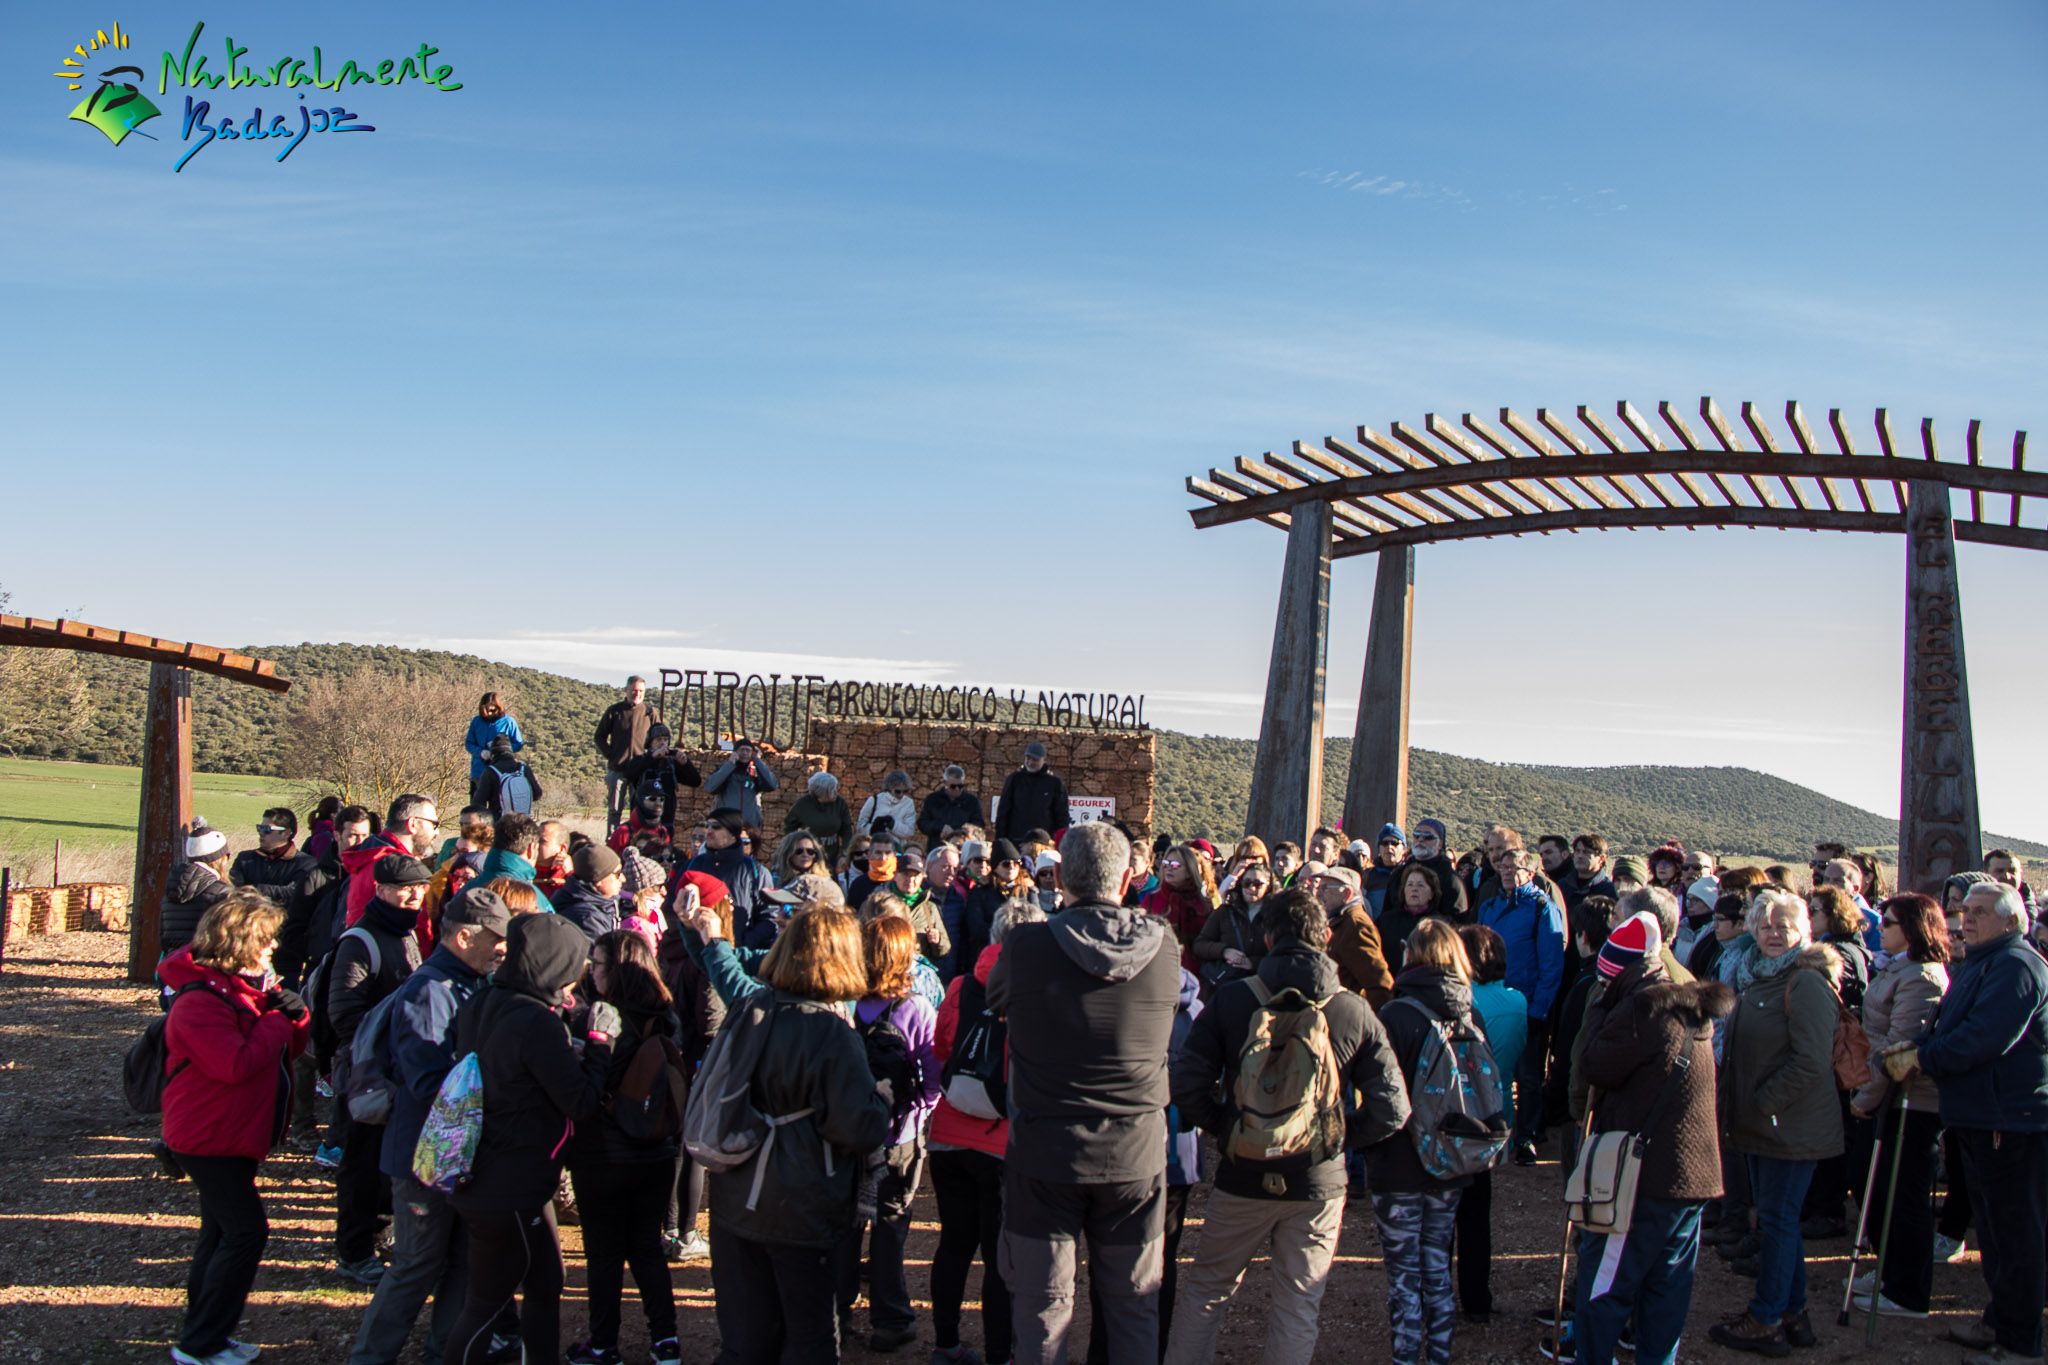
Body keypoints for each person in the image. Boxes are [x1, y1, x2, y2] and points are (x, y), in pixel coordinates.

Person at [1165, 888, 1410, 1365]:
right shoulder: (1351, 1010)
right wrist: (1335, 1138)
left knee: (1208, 1292)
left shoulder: (1235, 998)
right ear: (1324, 938)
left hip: (1243, 1173)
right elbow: (1393, 1108)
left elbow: (1187, 1084)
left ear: (1269, 936)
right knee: (1299, 1303)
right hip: (1317, 1181)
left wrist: (1227, 1128)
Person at [988, 821, 1180, 1365]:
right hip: (1136, 1154)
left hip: (1045, 1152)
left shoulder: (1026, 945)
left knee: (1043, 1311)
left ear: (1061, 882)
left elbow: (996, 997)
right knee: (1134, 1306)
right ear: (1125, 881)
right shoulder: (1164, 947)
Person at [688, 905, 893, 1364]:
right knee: (810, 1339)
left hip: (736, 1193)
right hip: (801, 1203)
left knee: (746, 1337)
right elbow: (857, 1127)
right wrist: (881, 1099)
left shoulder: (750, 1008)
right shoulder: (830, 1033)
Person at [1885, 881, 2048, 1365]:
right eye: (1964, 909)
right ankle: (1999, 1321)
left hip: (2011, 1119)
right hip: (1984, 1116)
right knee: (1996, 1234)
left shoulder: (2016, 964)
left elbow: (1982, 1039)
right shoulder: (1983, 962)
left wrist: (1922, 1057)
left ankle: (2020, 1342)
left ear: (2012, 920)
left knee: (2015, 1235)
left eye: (1979, 911)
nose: (1966, 918)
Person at [349, 889, 512, 1365]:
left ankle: (446, 1352)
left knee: (461, 1262)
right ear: (463, 937)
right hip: (423, 1158)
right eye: (494, 938)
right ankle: (370, 1358)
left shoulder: (470, 982)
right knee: (417, 1264)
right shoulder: (430, 992)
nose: (502, 947)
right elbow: (428, 1080)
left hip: (459, 1157)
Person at [441, 914, 610, 1365]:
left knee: (546, 1282)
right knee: (486, 1302)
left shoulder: (485, 1002)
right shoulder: (535, 1023)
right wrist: (598, 1043)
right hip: (510, 1182)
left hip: (492, 1173)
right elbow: (579, 1101)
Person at [1569, 910, 1733, 1365]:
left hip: (1645, 1178)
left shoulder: (1642, 1010)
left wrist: (1601, 1005)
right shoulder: (1690, 1003)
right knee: (1668, 1285)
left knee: (1608, 1283)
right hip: (1692, 1173)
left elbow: (1594, 1063)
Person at [157, 889, 311, 1365]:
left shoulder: (244, 989)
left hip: (234, 1134)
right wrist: (277, 1020)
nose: (272, 949)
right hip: (207, 1138)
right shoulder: (198, 1002)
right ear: (240, 942)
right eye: (265, 940)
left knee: (220, 1234)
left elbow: (289, 1050)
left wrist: (295, 1014)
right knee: (246, 1233)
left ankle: (206, 1333)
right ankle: (199, 1343)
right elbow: (235, 1064)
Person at [1708, 888, 1843, 1355]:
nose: (1773, 933)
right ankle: (1793, 1313)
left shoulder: (1805, 982)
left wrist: (1763, 1101)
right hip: (1765, 1125)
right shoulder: (1757, 977)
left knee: (1778, 1221)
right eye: (1765, 925)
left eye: (1784, 925)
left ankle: (1766, 1318)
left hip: (1790, 1125)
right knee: (1776, 1221)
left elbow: (1811, 1061)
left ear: (1803, 930)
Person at [1364, 919, 1487, 1365]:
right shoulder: (1471, 1015)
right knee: (1436, 1267)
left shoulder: (1396, 1015)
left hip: (1398, 1162)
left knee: (1403, 1274)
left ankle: (1404, 1357)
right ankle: (1440, 1355)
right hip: (1451, 1158)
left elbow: (1378, 1092)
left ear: (1411, 956)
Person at [929, 900, 1042, 1365]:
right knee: (1001, 1259)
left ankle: (946, 1344)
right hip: (1002, 1140)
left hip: (949, 1129)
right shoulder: (1036, 993)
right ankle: (1000, 1354)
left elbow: (942, 1048)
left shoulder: (959, 985)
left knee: (954, 1243)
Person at [566, 931, 684, 1365]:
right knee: (648, 1248)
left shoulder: (600, 1018)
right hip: (656, 1147)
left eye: (597, 963)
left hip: (603, 1151)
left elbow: (591, 1086)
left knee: (604, 1253)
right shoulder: (665, 1014)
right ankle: (666, 1340)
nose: (590, 971)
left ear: (615, 969)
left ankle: (603, 1344)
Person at [836, 915, 942, 1353]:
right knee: (891, 1225)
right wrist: (914, 1112)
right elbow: (934, 1080)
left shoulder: (846, 1004)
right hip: (898, 1136)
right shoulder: (915, 1008)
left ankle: (837, 1312)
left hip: (848, 1130)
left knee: (845, 1225)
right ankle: (891, 1318)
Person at [1844, 893, 1948, 1323]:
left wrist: (1865, 1096)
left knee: (1903, 1198)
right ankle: (1891, 1271)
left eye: (1887, 922)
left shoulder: (1922, 977)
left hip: (1910, 1103)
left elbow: (1897, 1048)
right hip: (1883, 1094)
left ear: (1913, 927)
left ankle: (1909, 1291)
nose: (1879, 927)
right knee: (1883, 1191)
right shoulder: (1898, 967)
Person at [329, 854, 430, 1285]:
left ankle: (381, 1239)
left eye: (421, 888)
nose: (414, 895)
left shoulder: (402, 934)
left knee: (384, 1162)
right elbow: (344, 1012)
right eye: (405, 888)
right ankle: (353, 1252)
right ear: (380, 889)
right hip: (366, 1073)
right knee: (360, 1166)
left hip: (392, 1071)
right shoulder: (361, 941)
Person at [1453, 924, 1527, 1325]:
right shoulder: (1517, 1002)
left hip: (1453, 1118)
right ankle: (1477, 1298)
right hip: (1493, 1117)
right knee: (1478, 1215)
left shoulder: (1462, 1003)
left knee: (1443, 1215)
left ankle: (1435, 1298)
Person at [1475, 848, 1565, 1165]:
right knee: (1490, 1070)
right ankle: (1491, 1132)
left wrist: (1539, 1010)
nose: (1508, 871)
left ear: (1531, 871)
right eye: (1503, 866)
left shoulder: (1542, 908)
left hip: (1526, 1004)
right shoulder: (1489, 906)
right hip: (1489, 998)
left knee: (1527, 1076)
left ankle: (1526, 1135)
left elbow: (1552, 964)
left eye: (1515, 867)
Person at [684, 809, 773, 948]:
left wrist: (743, 946)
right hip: (702, 955)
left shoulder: (755, 871)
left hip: (741, 956)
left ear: (733, 834)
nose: (709, 831)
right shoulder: (697, 864)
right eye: (708, 826)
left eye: (716, 827)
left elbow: (769, 917)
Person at [160, 818, 235, 972]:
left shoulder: (170, 889)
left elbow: (162, 936)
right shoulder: (222, 893)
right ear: (222, 859)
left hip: (174, 968)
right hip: (206, 971)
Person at [1190, 860, 1272, 995]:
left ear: (1268, 885)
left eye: (1258, 884)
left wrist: (1253, 963)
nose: (1251, 888)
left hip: (1262, 989)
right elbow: (1199, 945)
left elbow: (1283, 956)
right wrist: (1224, 951)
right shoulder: (1225, 912)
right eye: (1247, 883)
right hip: (1226, 988)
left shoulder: (1276, 915)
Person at [1318, 865, 1394, 1007]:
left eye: (1325, 888)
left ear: (1347, 893)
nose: (1319, 893)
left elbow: (1379, 984)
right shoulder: (1339, 921)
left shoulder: (1356, 925)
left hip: (1345, 1015)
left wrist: (1368, 1021)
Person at [1144, 843, 1219, 973]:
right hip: (1159, 970)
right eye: (1166, 863)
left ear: (1190, 870)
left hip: (1196, 972)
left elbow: (1208, 940)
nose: (1169, 868)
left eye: (1175, 865)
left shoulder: (1203, 904)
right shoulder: (1151, 900)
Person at [594, 676, 654, 834]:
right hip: (618, 770)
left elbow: (658, 737)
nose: (637, 694)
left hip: (640, 771)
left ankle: (634, 841)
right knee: (614, 809)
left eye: (641, 691)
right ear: (627, 690)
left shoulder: (650, 712)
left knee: (638, 809)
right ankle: (612, 841)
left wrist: (650, 759)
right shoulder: (614, 711)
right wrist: (612, 756)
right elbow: (599, 737)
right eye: (634, 690)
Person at [230, 807, 316, 912]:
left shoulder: (305, 864)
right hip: (248, 924)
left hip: (285, 926)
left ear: (286, 833)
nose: (261, 833)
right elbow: (235, 892)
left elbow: (294, 893)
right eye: (259, 828)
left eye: (267, 829)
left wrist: (257, 889)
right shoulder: (244, 859)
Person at [616, 723, 700, 829]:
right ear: (650, 743)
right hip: (642, 818)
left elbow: (695, 781)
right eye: (658, 739)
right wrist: (652, 757)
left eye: (665, 739)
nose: (662, 743)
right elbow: (629, 774)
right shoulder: (641, 760)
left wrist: (686, 764)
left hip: (666, 819)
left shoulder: (672, 763)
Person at [994, 741, 1070, 844]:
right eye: (1028, 758)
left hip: (1043, 843)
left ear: (1044, 760)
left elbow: (1062, 815)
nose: (1030, 762)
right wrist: (1000, 839)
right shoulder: (1015, 779)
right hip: (1016, 840)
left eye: (1035, 759)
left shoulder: (1054, 783)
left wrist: (1060, 841)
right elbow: (1003, 811)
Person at [1380, 862, 1443, 977]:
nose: (1414, 889)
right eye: (1410, 885)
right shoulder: (1386, 920)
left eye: (1420, 885)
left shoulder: (1440, 924)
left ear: (1432, 893)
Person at [703, 738, 779, 832]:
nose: (745, 753)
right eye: (742, 750)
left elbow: (772, 785)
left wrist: (757, 760)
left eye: (748, 750)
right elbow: (710, 787)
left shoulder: (754, 774)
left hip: (749, 827)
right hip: (726, 826)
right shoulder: (725, 772)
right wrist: (730, 764)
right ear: (735, 752)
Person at [784, 771, 855, 870]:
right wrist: (794, 849)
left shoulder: (840, 804)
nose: (836, 793)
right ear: (822, 793)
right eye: (832, 790)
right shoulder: (802, 805)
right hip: (808, 857)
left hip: (831, 857)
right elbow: (789, 828)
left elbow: (847, 830)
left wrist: (844, 854)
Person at [554, 845, 624, 945]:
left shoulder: (599, 903)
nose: (623, 878)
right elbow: (601, 958)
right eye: (618, 873)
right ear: (599, 880)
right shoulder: (587, 919)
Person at [463, 694, 522, 808]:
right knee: (476, 809)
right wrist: (480, 752)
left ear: (498, 707)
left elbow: (518, 744)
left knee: (497, 809)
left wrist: (501, 750)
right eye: (486, 709)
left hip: (500, 773)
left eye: (492, 709)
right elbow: (469, 743)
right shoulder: (476, 722)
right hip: (478, 772)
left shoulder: (509, 722)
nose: (489, 713)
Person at [1407, 821, 1468, 918]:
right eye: (1416, 836)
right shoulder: (1399, 873)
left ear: (1440, 844)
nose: (1420, 840)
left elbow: (1459, 920)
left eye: (1428, 837)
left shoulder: (1451, 880)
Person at [920, 765, 985, 848]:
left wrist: (964, 830)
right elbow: (923, 823)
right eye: (953, 786)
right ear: (945, 784)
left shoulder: (972, 802)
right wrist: (940, 827)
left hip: (962, 846)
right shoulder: (932, 800)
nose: (957, 789)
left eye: (960, 786)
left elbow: (979, 824)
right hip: (937, 847)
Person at [857, 769, 920, 846]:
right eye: (898, 791)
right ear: (890, 788)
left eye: (905, 791)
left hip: (896, 846)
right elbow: (860, 825)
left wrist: (893, 824)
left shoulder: (909, 803)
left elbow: (909, 831)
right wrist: (875, 829)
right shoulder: (875, 799)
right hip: (873, 843)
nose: (901, 794)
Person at [1364, 825, 1409, 915]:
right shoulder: (1367, 876)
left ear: (1403, 848)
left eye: (1395, 843)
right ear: (1379, 848)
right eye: (1384, 843)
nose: (1389, 847)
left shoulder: (1409, 874)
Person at [1566, 835, 1617, 911]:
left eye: (1586, 852)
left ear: (1601, 858)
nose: (1580, 856)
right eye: (1577, 851)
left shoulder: (1610, 891)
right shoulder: (1563, 886)